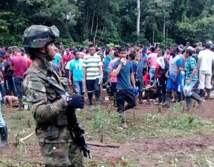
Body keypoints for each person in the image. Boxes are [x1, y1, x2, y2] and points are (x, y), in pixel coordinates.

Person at [22, 25, 85, 167]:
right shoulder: (33, 77)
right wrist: (67, 101)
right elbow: (39, 112)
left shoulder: (49, 70)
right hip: (54, 139)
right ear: (41, 48)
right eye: (51, 44)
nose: (55, 48)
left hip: (68, 133)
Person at [112, 47, 136, 129]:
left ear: (127, 53)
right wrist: (120, 64)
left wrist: (134, 85)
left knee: (133, 103)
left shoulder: (130, 63)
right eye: (121, 53)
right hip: (120, 88)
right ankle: (122, 123)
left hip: (128, 87)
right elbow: (114, 74)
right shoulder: (116, 63)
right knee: (120, 105)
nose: (123, 55)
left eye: (124, 53)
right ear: (118, 54)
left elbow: (131, 74)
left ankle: (121, 111)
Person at [83, 44, 103, 108]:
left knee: (97, 89)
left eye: (93, 50)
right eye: (90, 50)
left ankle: (97, 101)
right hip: (89, 77)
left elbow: (100, 67)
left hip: (96, 76)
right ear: (89, 50)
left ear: (95, 50)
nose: (92, 51)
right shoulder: (86, 57)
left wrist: (101, 76)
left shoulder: (98, 57)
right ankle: (90, 103)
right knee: (89, 91)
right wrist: (84, 78)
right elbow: (85, 68)